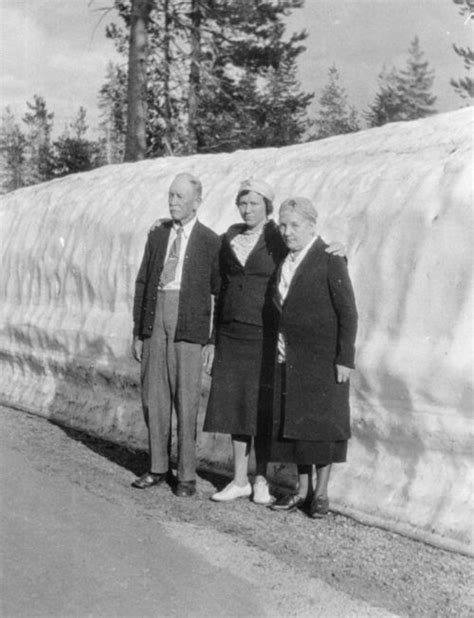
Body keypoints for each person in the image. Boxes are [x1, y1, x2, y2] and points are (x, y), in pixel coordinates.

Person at [203, 179, 345, 505]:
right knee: (235, 408)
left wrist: (338, 248)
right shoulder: (229, 237)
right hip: (232, 333)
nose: (248, 209)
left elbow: (306, 253)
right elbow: (219, 288)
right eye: (243, 203)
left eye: (254, 203)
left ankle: (262, 479)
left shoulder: (276, 237)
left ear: (266, 206)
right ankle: (239, 479)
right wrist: (213, 337)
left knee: (263, 410)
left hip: (265, 335)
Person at [261, 197, 358, 518]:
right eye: (283, 225)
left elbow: (348, 312)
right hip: (291, 359)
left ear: (312, 226)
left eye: (295, 225)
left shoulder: (329, 259)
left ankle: (321, 493)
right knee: (296, 428)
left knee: (322, 428)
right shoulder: (286, 261)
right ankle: (301, 490)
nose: (288, 232)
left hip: (323, 361)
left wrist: (345, 358)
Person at [131, 172, 220, 497]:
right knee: (154, 396)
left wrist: (213, 339)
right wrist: (139, 331)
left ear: (197, 202)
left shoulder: (211, 241)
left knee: (186, 398)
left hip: (189, 324)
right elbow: (143, 282)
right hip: (156, 318)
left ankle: (186, 475)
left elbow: (219, 292)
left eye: (180, 197)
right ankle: (156, 467)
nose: (173, 201)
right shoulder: (157, 236)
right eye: (170, 195)